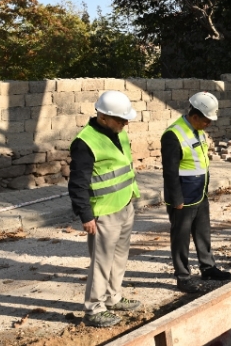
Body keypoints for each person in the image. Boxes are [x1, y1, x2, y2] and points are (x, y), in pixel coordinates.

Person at [68, 90, 141, 328]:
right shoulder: (85, 142)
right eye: (121, 120)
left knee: (119, 257)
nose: (125, 123)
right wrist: (86, 215)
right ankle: (94, 309)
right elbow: (77, 182)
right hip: (103, 212)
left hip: (125, 203)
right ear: (102, 117)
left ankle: (113, 297)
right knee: (101, 262)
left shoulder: (118, 133)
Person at [161, 92, 231, 293]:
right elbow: (170, 171)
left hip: (199, 193)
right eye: (206, 120)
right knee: (181, 237)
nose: (208, 124)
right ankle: (183, 277)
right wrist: (176, 199)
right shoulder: (173, 135)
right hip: (183, 197)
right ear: (194, 116)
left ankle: (208, 267)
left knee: (203, 233)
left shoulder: (197, 130)